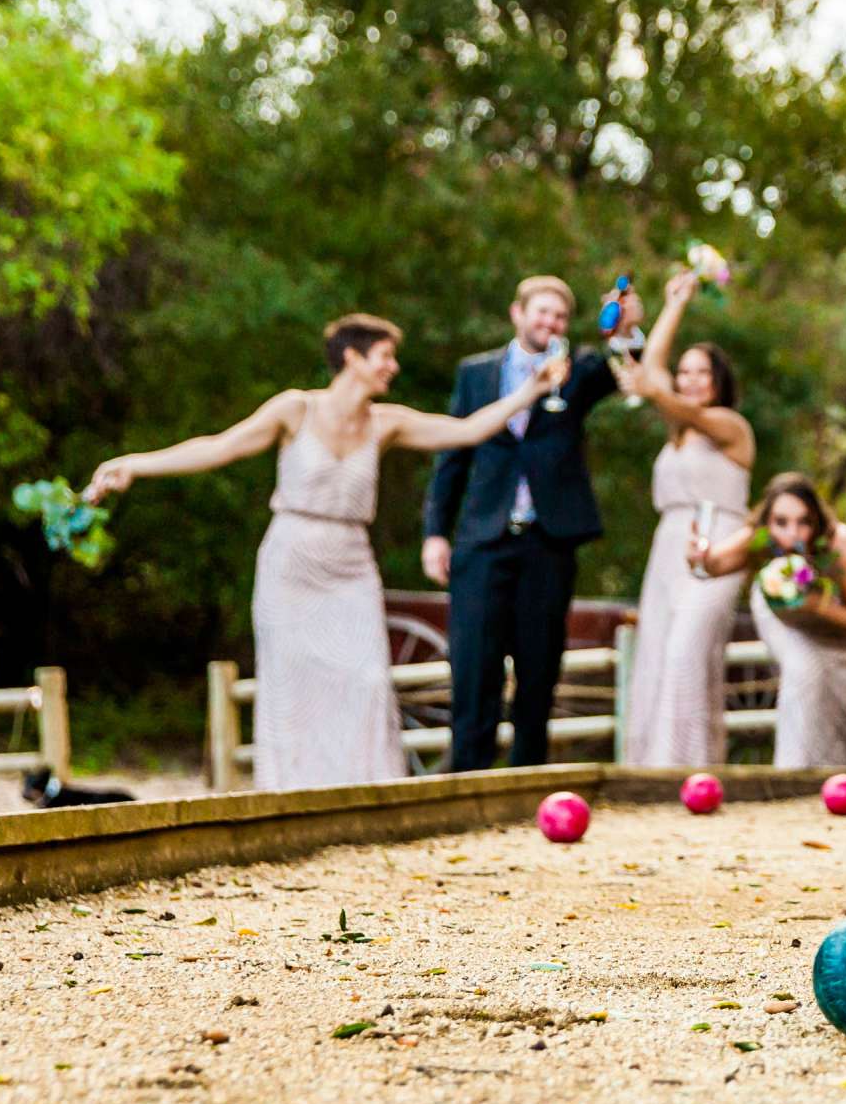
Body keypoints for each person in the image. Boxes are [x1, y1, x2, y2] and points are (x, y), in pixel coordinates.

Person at [87, 315, 562, 789]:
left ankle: (363, 791)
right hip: (291, 560)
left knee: (367, 680)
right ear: (352, 358)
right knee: (293, 686)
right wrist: (136, 465)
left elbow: (468, 430)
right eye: (384, 357)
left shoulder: (386, 423)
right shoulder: (295, 410)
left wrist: (529, 392)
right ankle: (294, 793)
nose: (392, 367)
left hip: (351, 563)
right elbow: (220, 447)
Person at [423, 275, 640, 772]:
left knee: (539, 671)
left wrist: (628, 329)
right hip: (483, 539)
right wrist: (436, 533)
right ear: (517, 313)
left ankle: (527, 785)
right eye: (542, 312)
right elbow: (452, 458)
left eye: (561, 316)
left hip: (548, 541)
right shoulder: (476, 373)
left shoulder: (579, 369)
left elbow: (628, 367)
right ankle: (465, 784)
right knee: (473, 668)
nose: (551, 322)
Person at [616, 270, 754, 766]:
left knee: (686, 651)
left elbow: (656, 387)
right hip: (668, 544)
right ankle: (652, 769)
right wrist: (674, 303)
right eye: (686, 371)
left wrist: (652, 388)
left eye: (703, 373)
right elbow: (654, 371)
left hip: (716, 542)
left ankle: (691, 766)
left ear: (719, 383)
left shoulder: (728, 427)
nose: (692, 379)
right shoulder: (676, 431)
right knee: (657, 651)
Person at [692, 472, 846, 769]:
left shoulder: (844, 545)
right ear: (767, 521)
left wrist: (819, 606)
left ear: (817, 522)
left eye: (803, 522)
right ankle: (793, 771)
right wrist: (697, 555)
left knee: (837, 702)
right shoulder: (760, 539)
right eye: (781, 522)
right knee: (804, 671)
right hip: (785, 620)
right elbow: (712, 564)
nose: (792, 534)